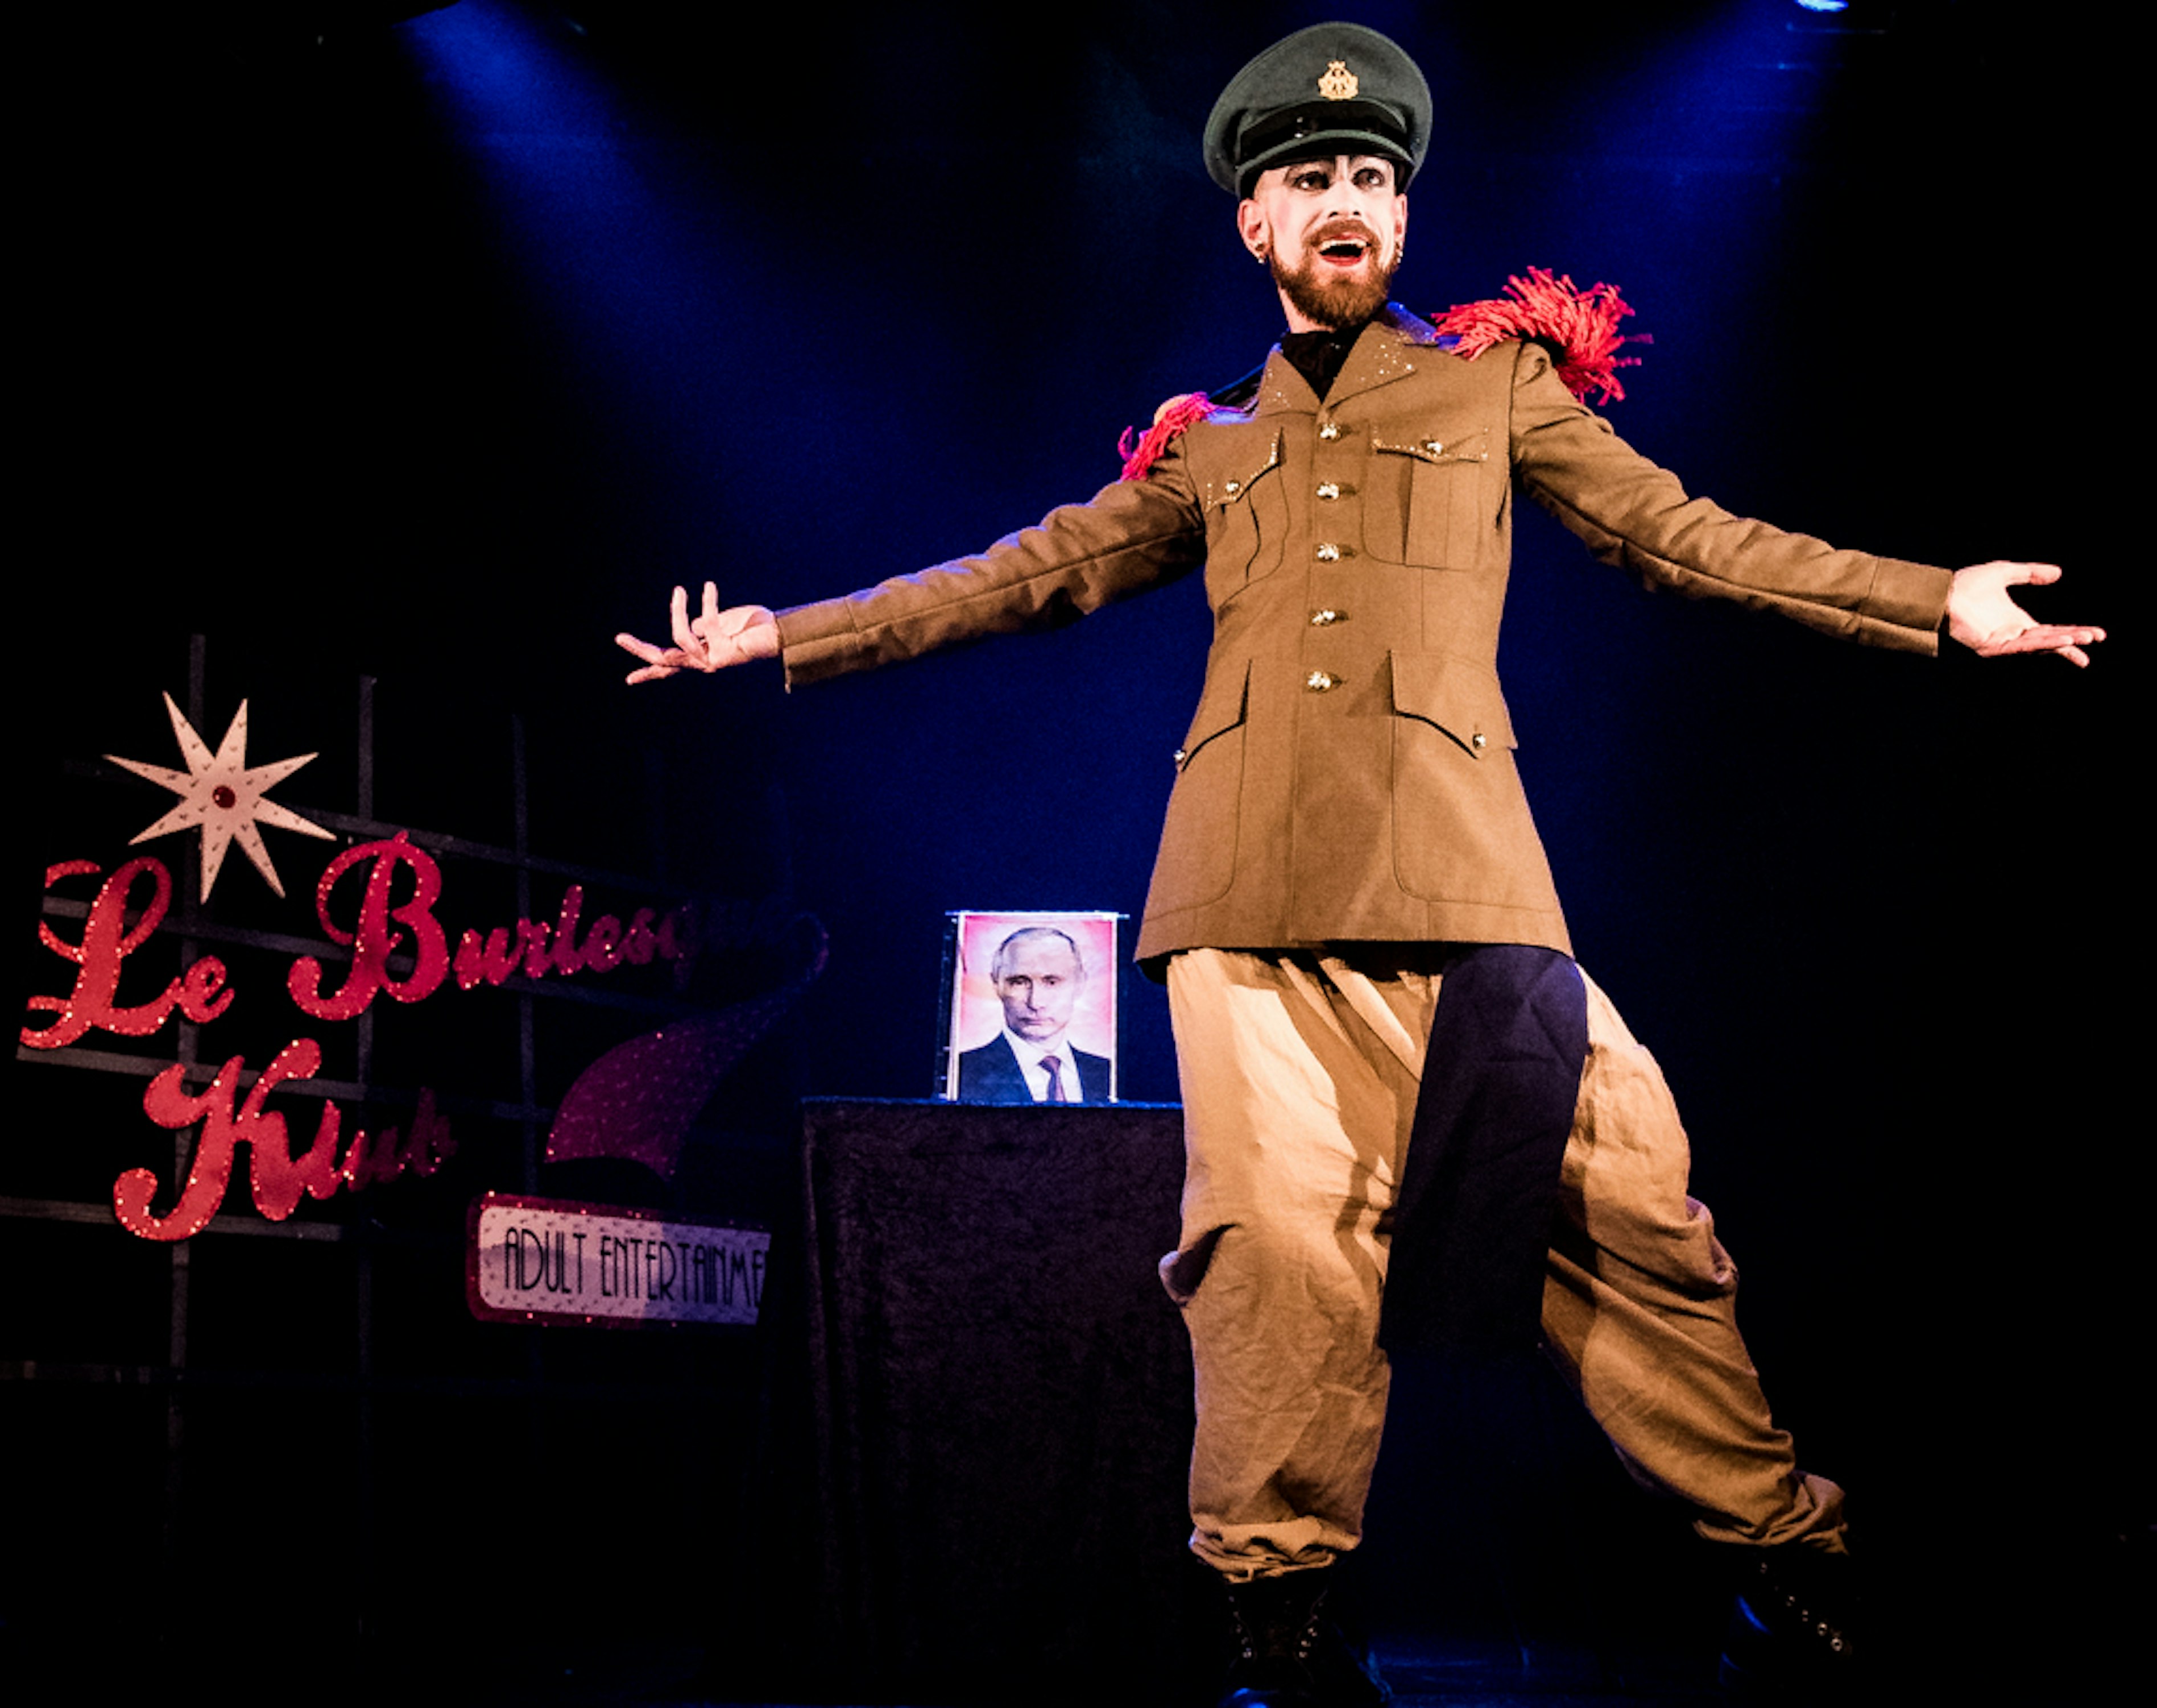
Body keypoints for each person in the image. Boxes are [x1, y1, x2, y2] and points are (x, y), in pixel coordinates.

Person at [618, 22, 2101, 1705]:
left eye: (1374, 179)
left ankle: (1783, 1560)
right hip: (1247, 912)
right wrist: (785, 633)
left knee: (1630, 1213)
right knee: (1270, 1247)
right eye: (1310, 176)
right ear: (1253, 222)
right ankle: (1284, 1619)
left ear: (1400, 219)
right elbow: (1019, 575)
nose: (1347, 199)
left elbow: (1682, 538)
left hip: (1473, 906)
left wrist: (1926, 600)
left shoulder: (1494, 391)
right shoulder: (1202, 443)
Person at [956, 924, 1114, 1104]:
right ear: (996, 985)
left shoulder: (1108, 1074)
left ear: (1080, 984)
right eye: (1019, 982)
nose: (1036, 1003)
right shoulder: (961, 1073)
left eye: (1052, 982)